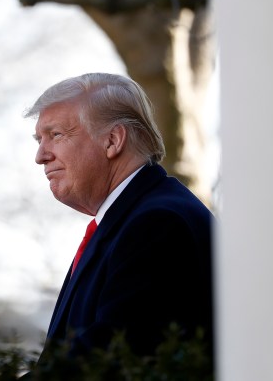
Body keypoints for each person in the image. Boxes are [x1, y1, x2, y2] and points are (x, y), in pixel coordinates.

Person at [24, 73, 214, 369]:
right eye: (39, 140)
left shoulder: (158, 224)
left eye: (56, 135)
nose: (40, 156)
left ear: (112, 141)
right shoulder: (134, 218)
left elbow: (112, 357)